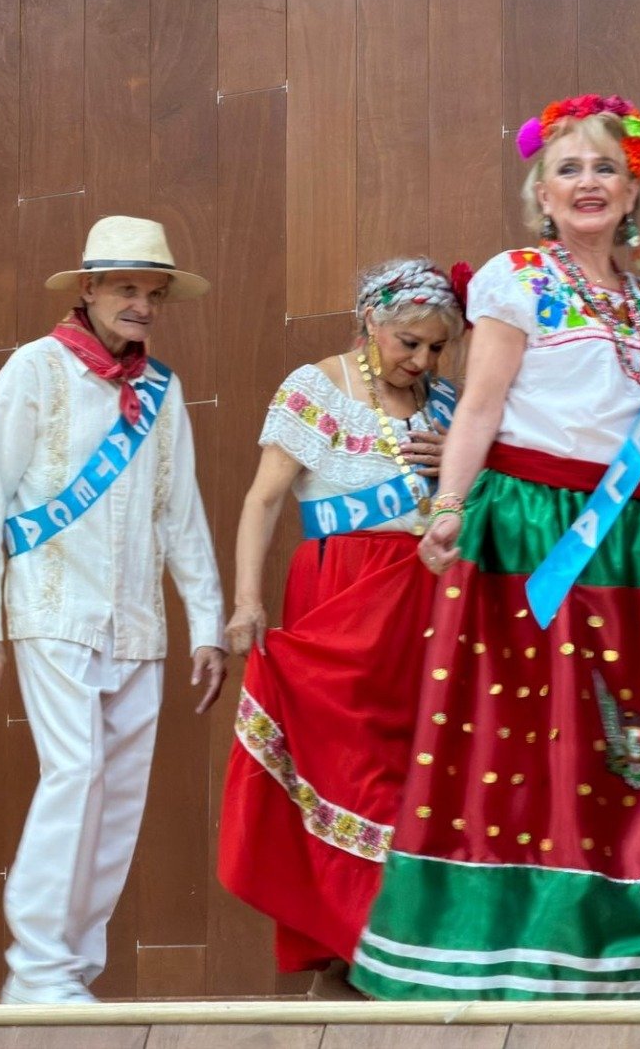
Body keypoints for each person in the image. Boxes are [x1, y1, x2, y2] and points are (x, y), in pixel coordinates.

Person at [346, 94, 640, 1000]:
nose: (588, 182)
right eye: (568, 167)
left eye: (605, 167)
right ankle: (508, 945)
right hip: (535, 532)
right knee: (528, 740)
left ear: (632, 189)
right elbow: (485, 407)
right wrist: (449, 506)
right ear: (540, 189)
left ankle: (639, 951)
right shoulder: (516, 277)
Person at [0, 215, 227, 1005]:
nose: (140, 303)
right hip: (51, 606)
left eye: (152, 292)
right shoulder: (33, 372)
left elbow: (181, 514)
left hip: (137, 624)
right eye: (126, 288)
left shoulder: (160, 391)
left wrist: (204, 624)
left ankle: (70, 970)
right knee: (73, 776)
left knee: (116, 803)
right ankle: (34, 969)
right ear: (89, 290)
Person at [218, 257, 467, 999]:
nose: (421, 361)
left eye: (434, 348)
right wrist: (246, 601)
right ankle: (344, 950)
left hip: (424, 604)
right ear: (370, 323)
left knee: (418, 778)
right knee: (346, 771)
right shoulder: (317, 388)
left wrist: (459, 470)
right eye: (409, 344)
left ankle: (400, 949)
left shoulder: (448, 403)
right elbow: (263, 501)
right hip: (341, 600)